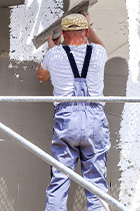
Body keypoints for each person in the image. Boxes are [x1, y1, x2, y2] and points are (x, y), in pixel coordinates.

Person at [37, 13, 111, 211]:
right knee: (96, 182)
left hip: (67, 120)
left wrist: (53, 49)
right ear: (86, 31)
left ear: (63, 33)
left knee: (60, 180)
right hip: (94, 119)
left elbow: (41, 76)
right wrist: (89, 23)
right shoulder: (97, 53)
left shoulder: (55, 55)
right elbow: (100, 44)